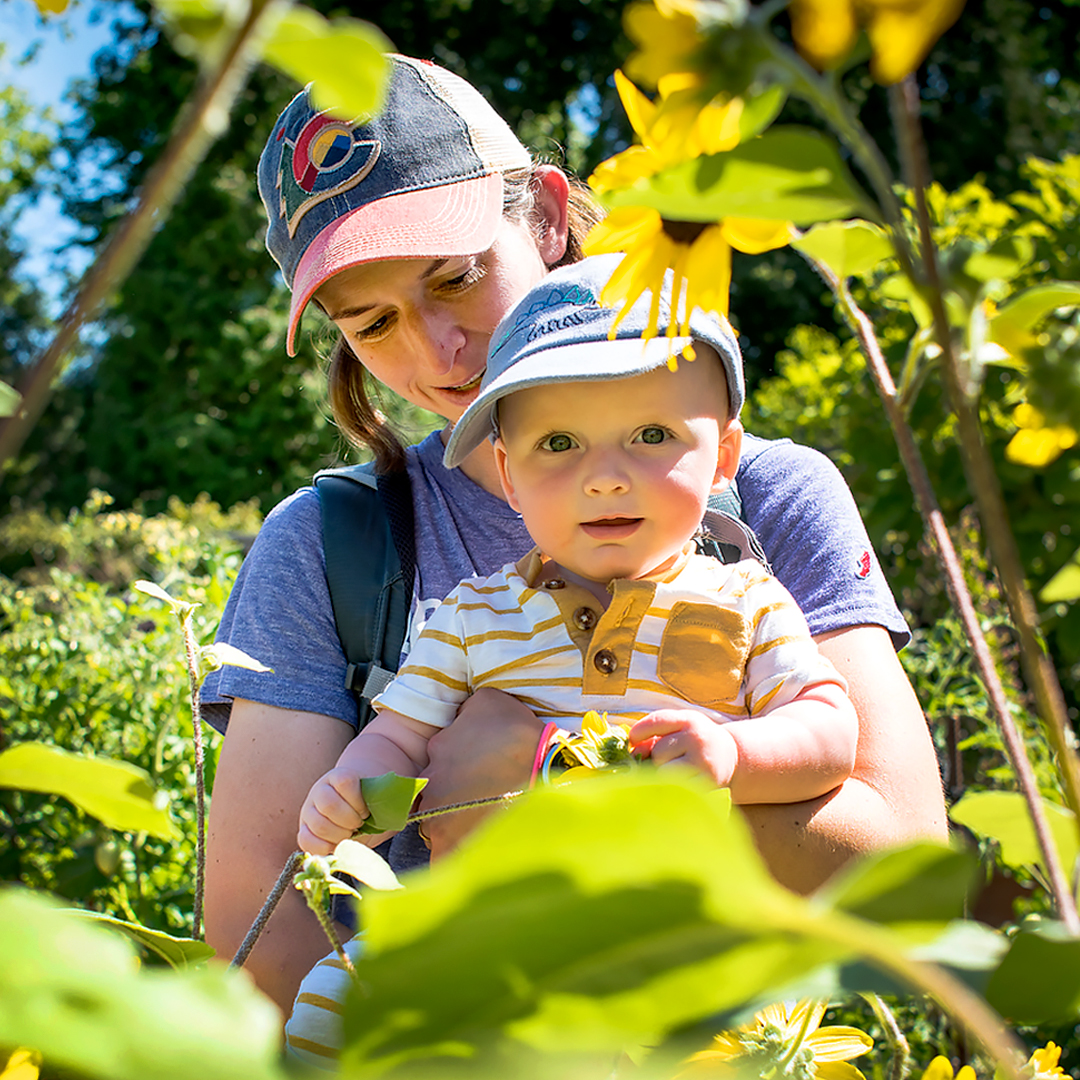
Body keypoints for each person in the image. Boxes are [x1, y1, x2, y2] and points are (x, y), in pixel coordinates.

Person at [202, 53, 946, 1021]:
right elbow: (262, 928)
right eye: (374, 323)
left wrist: (553, 783)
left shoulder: (769, 495)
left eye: (457, 278)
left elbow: (904, 868)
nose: (438, 352)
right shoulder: (330, 542)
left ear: (548, 216)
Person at [297, 255, 859, 857]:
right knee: (348, 958)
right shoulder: (469, 620)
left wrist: (737, 754)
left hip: (692, 933)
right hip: (500, 934)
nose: (605, 479)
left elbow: (827, 731)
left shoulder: (748, 602)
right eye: (559, 443)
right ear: (510, 475)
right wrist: (357, 792)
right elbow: (400, 737)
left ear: (723, 457)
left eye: (651, 436)